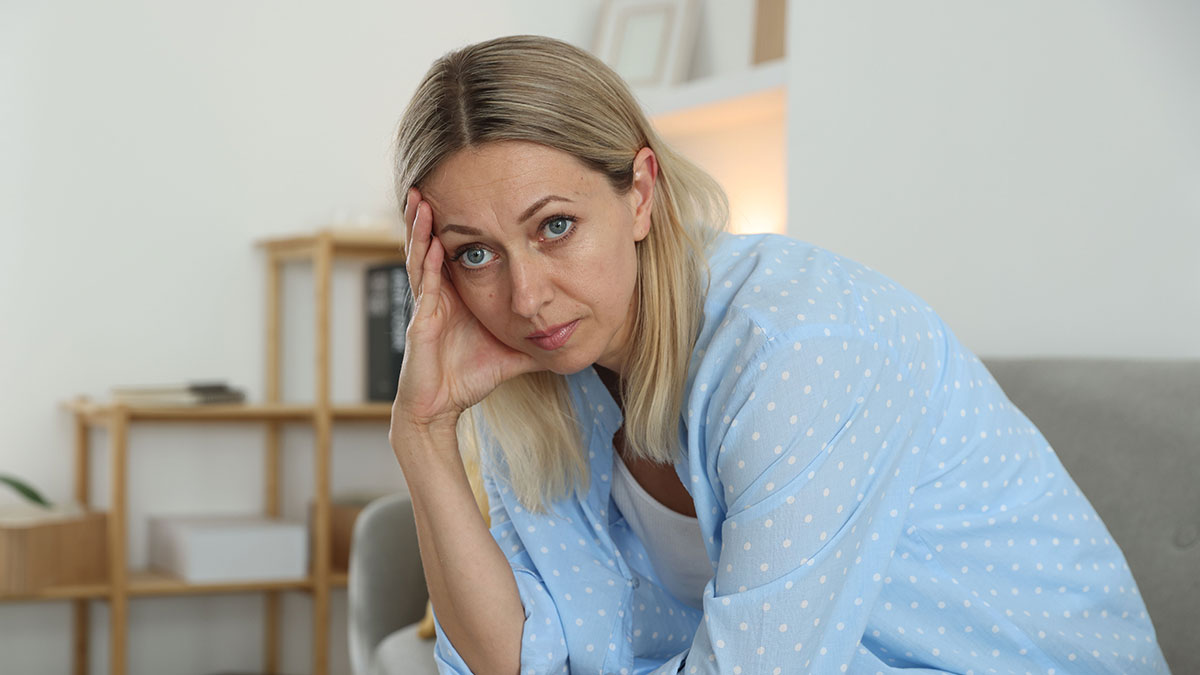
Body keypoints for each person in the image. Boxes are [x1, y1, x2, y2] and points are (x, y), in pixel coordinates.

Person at [387, 34, 1167, 675]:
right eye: (476, 254)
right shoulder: (545, 379)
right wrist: (422, 433)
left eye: (555, 226)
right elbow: (513, 659)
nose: (526, 296)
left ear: (641, 193)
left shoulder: (799, 348)